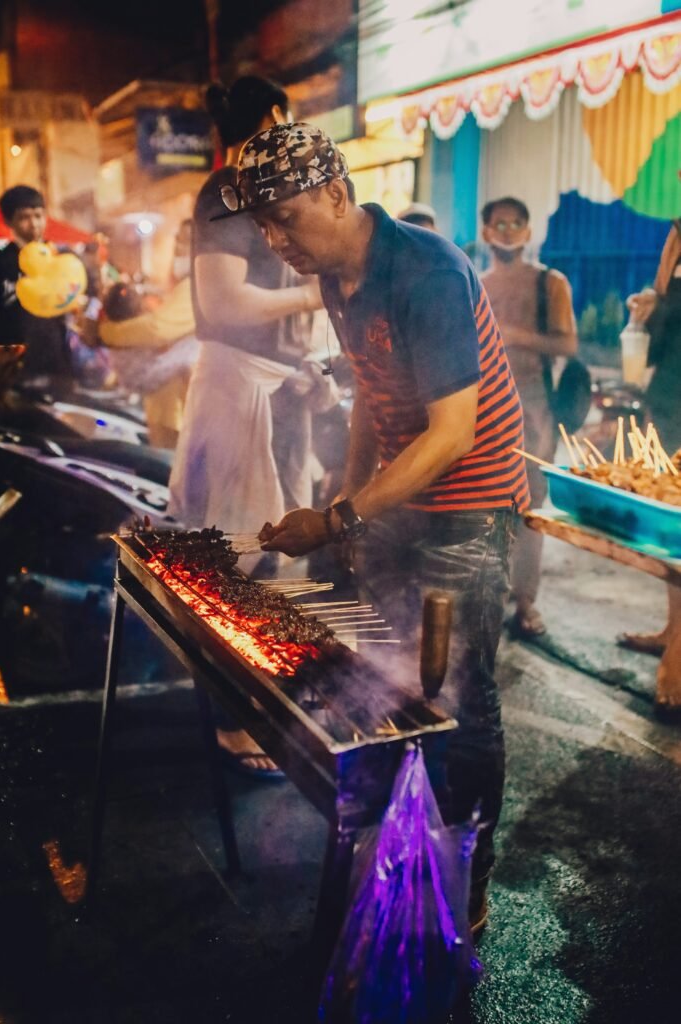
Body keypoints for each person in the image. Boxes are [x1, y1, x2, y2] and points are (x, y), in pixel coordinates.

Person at [221, 122, 530, 933]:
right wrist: (345, 506)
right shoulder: (333, 275)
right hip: (397, 504)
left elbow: (450, 433)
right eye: (261, 225)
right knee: (391, 684)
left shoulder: (423, 272)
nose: (274, 237)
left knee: (460, 702)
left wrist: (339, 515)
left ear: (334, 192)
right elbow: (369, 397)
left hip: (466, 506)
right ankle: (399, 848)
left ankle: (469, 880)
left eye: (284, 215)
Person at [168, 77, 325, 776]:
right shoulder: (225, 191)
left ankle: (262, 701)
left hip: (275, 388)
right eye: (286, 117)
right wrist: (316, 287)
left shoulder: (252, 190)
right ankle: (233, 721)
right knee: (235, 559)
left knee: (274, 556)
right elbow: (224, 301)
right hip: (237, 391)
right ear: (270, 118)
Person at [481, 197, 578, 639]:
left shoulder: (549, 283)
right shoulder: (474, 283)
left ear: (528, 231)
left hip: (533, 407)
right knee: (482, 506)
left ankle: (525, 603)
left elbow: (567, 346)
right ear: (486, 232)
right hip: (481, 407)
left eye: (516, 223)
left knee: (529, 507)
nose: (507, 230)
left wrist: (514, 335)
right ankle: (485, 598)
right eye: (499, 223)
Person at [618, 216, 681, 662]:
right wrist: (648, 311)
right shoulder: (676, 238)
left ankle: (677, 659)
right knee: (672, 526)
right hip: (670, 401)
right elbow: (664, 331)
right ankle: (673, 631)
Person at [97, 221, 198, 448]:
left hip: (182, 409)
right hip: (166, 406)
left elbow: (157, 329)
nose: (179, 247)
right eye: (178, 239)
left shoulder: (199, 284)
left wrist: (104, 332)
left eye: (187, 239)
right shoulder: (185, 284)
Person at [0, 185, 73, 384]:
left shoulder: (62, 259)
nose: (34, 224)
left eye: (39, 216)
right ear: (8, 221)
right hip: (13, 371)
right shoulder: (2, 264)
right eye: (24, 217)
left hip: (58, 364)